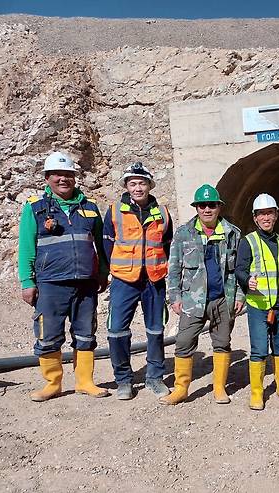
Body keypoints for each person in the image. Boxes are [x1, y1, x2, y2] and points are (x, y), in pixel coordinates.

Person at [18, 151, 110, 401]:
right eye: (58, 174)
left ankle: (85, 381)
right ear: (48, 177)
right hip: (50, 283)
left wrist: (102, 272)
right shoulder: (35, 207)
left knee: (85, 333)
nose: (63, 179)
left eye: (68, 174)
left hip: (85, 283)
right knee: (48, 334)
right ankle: (52, 383)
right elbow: (26, 246)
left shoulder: (89, 208)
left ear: (75, 178)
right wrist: (27, 281)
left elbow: (101, 245)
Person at [160, 185, 243, 405]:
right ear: (196, 208)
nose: (207, 209)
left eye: (212, 205)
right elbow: (174, 267)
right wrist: (174, 296)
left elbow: (240, 270)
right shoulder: (184, 233)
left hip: (223, 299)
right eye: (202, 205)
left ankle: (219, 388)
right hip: (192, 299)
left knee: (222, 343)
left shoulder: (232, 233)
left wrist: (240, 296)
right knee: (184, 342)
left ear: (219, 207)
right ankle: (181, 389)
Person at [103, 162, 173, 400]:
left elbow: (166, 244)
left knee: (155, 330)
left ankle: (155, 377)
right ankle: (123, 379)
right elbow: (107, 245)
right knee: (116, 331)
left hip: (153, 280)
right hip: (125, 280)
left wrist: (159, 269)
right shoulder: (114, 211)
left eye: (142, 183)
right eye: (132, 183)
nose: (137, 188)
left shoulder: (162, 212)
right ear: (126, 186)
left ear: (149, 185)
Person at [235, 193, 279, 410]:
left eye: (269, 213)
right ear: (255, 218)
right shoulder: (248, 241)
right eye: (261, 214)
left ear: (276, 215)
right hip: (259, 306)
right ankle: (257, 393)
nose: (266, 218)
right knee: (259, 349)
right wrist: (247, 280)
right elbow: (240, 269)